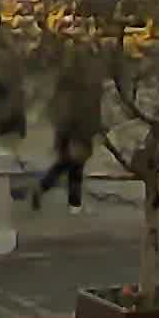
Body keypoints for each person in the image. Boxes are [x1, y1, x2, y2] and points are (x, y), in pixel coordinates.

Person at [28, 66, 98, 213]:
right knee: (74, 168)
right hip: (75, 134)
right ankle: (73, 204)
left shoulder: (65, 93)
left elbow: (59, 114)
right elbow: (79, 115)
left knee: (64, 166)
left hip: (67, 133)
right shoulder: (79, 94)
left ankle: (42, 189)